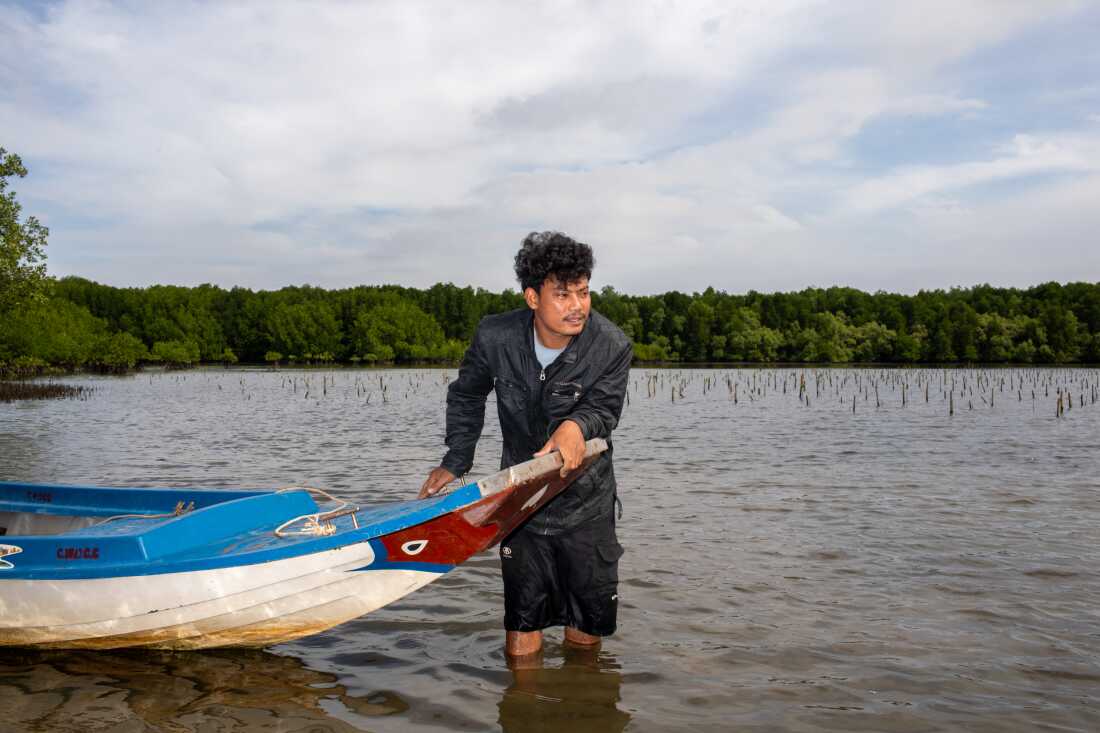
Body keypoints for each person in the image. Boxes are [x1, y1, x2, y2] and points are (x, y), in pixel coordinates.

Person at [419, 231, 632, 659]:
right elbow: (467, 393)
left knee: (586, 628)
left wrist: (576, 425)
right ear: (532, 298)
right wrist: (456, 458)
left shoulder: (611, 345)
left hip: (586, 503)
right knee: (522, 621)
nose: (578, 306)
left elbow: (604, 410)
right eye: (564, 295)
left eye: (584, 292)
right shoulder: (495, 337)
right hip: (523, 503)